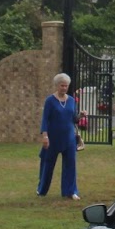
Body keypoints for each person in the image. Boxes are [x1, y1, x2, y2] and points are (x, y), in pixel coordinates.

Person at [38, 72, 83, 200]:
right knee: (48, 164)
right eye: (62, 85)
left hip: (68, 137)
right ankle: (42, 189)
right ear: (57, 86)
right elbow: (45, 119)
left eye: (66, 86)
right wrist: (45, 136)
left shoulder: (71, 100)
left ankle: (70, 191)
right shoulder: (50, 101)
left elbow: (73, 119)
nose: (64, 88)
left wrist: (80, 116)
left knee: (70, 164)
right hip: (53, 137)